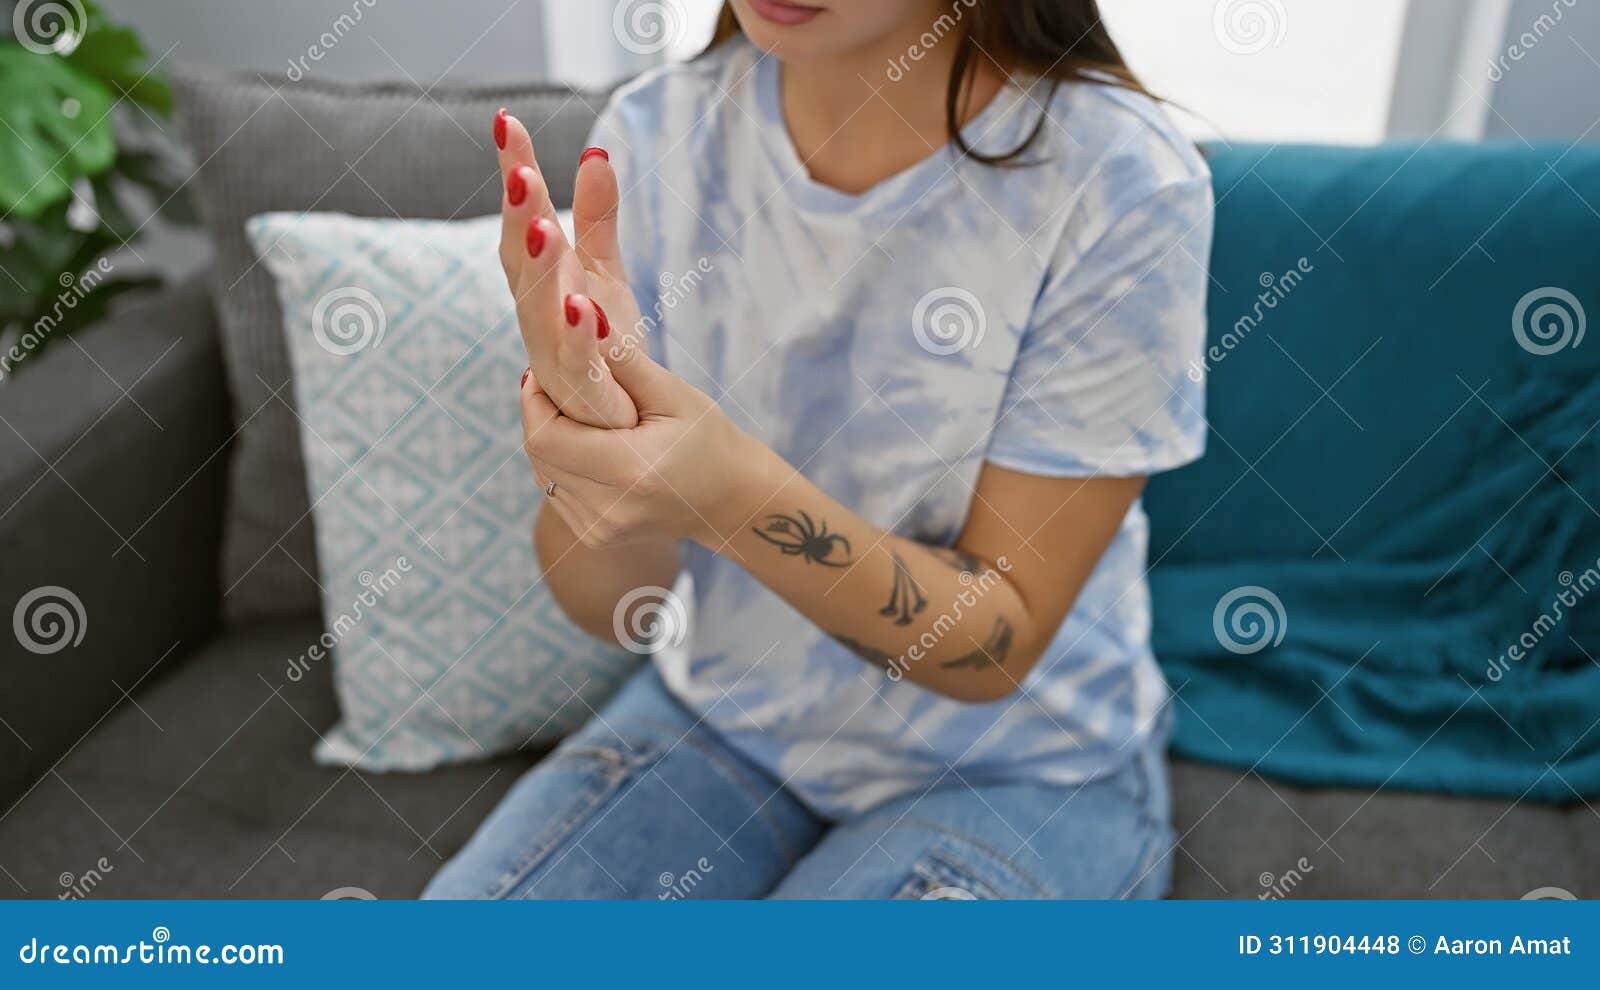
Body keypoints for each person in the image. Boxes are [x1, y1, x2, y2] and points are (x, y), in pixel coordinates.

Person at [425, 0, 1213, 900]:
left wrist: (729, 497)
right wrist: (597, 449)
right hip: (719, 722)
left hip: (1020, 772)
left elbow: (995, 644)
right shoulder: (654, 134)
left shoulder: (1121, 177)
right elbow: (614, 607)